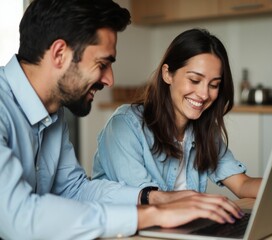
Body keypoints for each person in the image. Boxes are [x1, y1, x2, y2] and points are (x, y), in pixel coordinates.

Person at [0, 2, 244, 239]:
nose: (110, 80)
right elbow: (19, 219)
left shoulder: (52, 111)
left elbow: (73, 189)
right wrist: (152, 215)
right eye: (102, 64)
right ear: (59, 53)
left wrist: (155, 198)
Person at [92, 29, 262, 202]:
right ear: (168, 74)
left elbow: (242, 184)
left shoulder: (203, 129)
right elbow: (148, 201)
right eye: (195, 80)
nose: (204, 94)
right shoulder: (125, 125)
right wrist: (207, 205)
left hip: (180, 226)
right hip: (133, 228)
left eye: (214, 84)